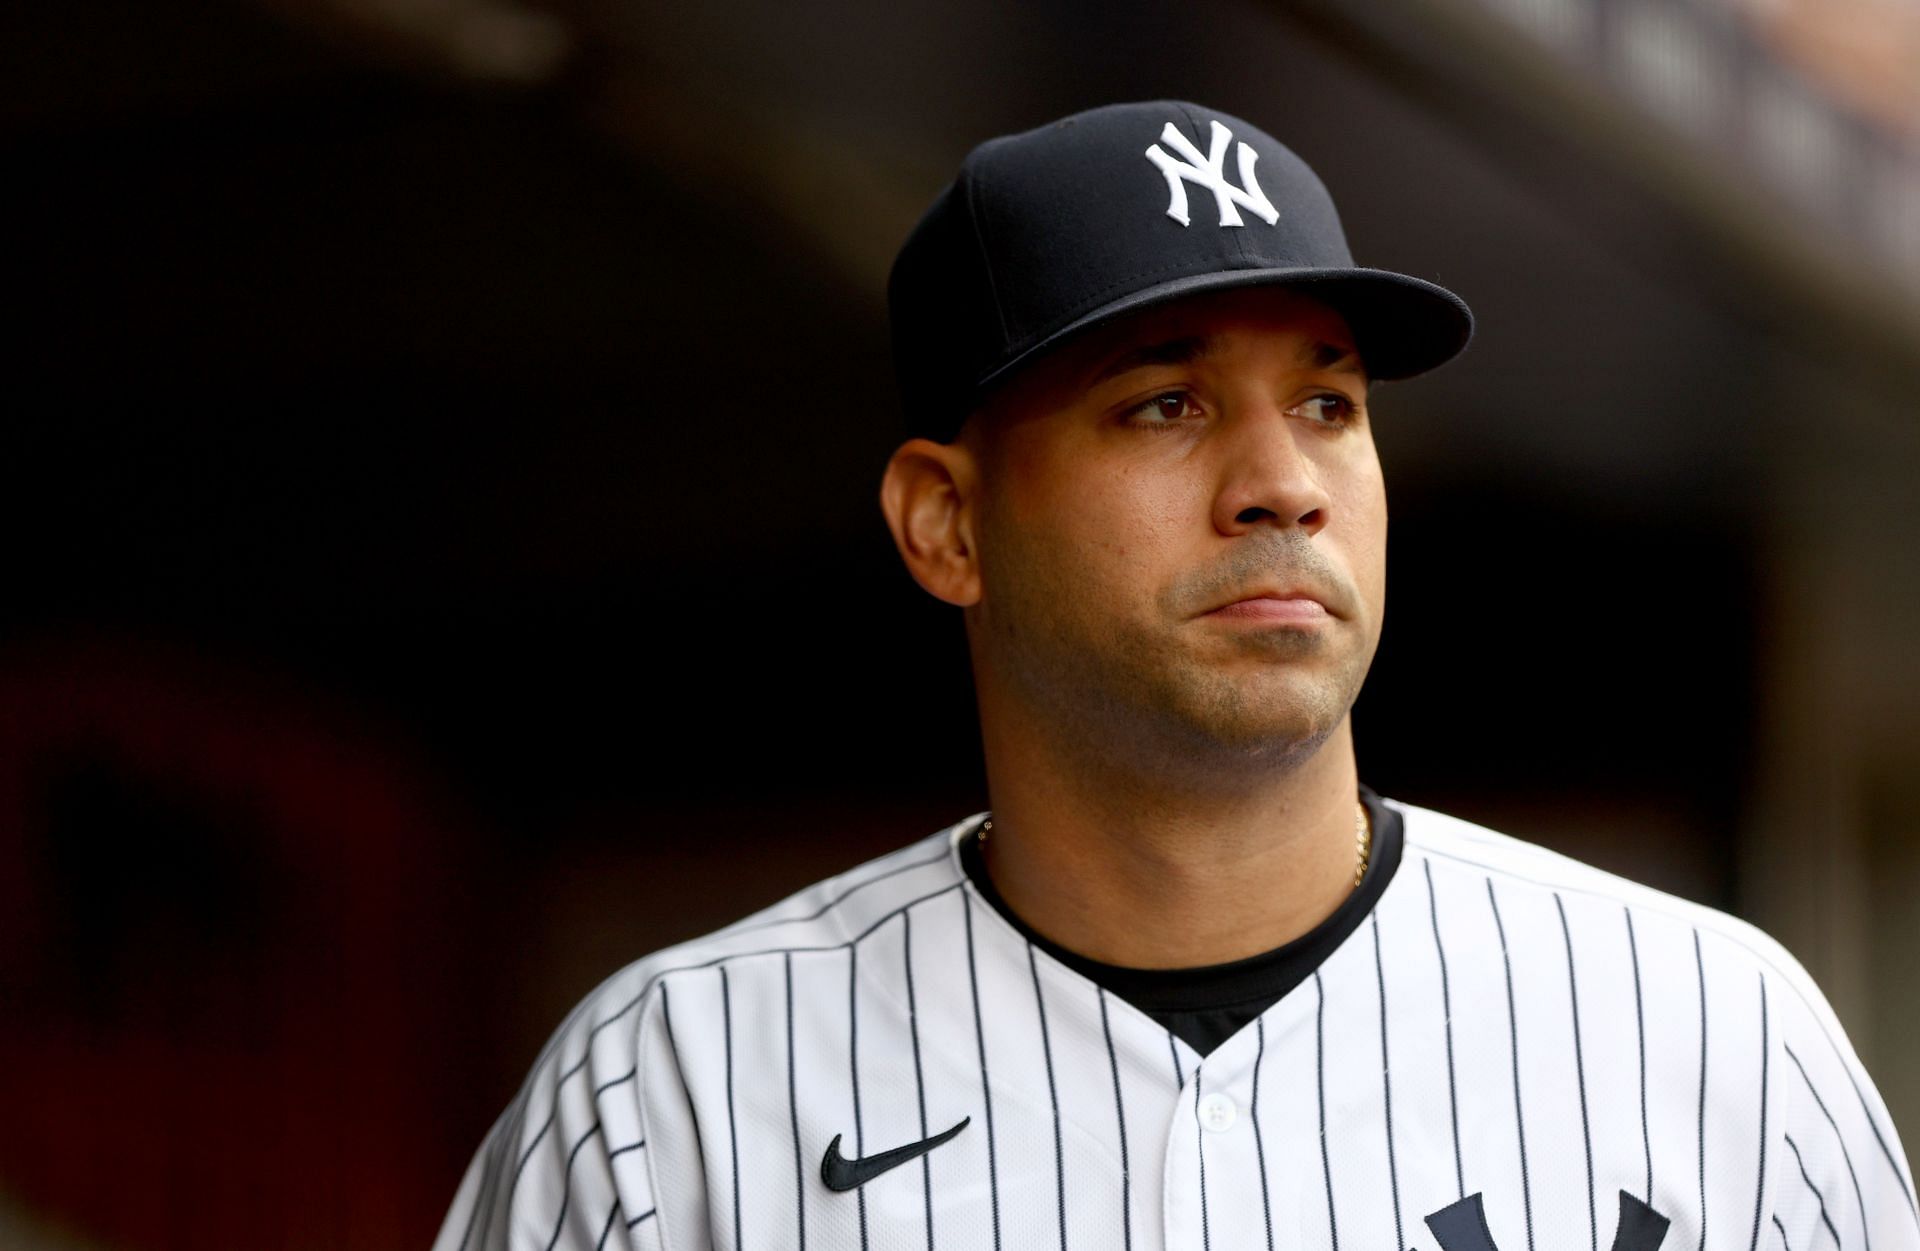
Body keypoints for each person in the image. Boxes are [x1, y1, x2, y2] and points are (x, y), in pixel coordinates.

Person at [432, 100, 1916, 1251]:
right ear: (947, 525)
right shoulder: (672, 1090)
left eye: (1328, 402)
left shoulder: (1712, 1032)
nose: (1283, 484)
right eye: (1164, 404)